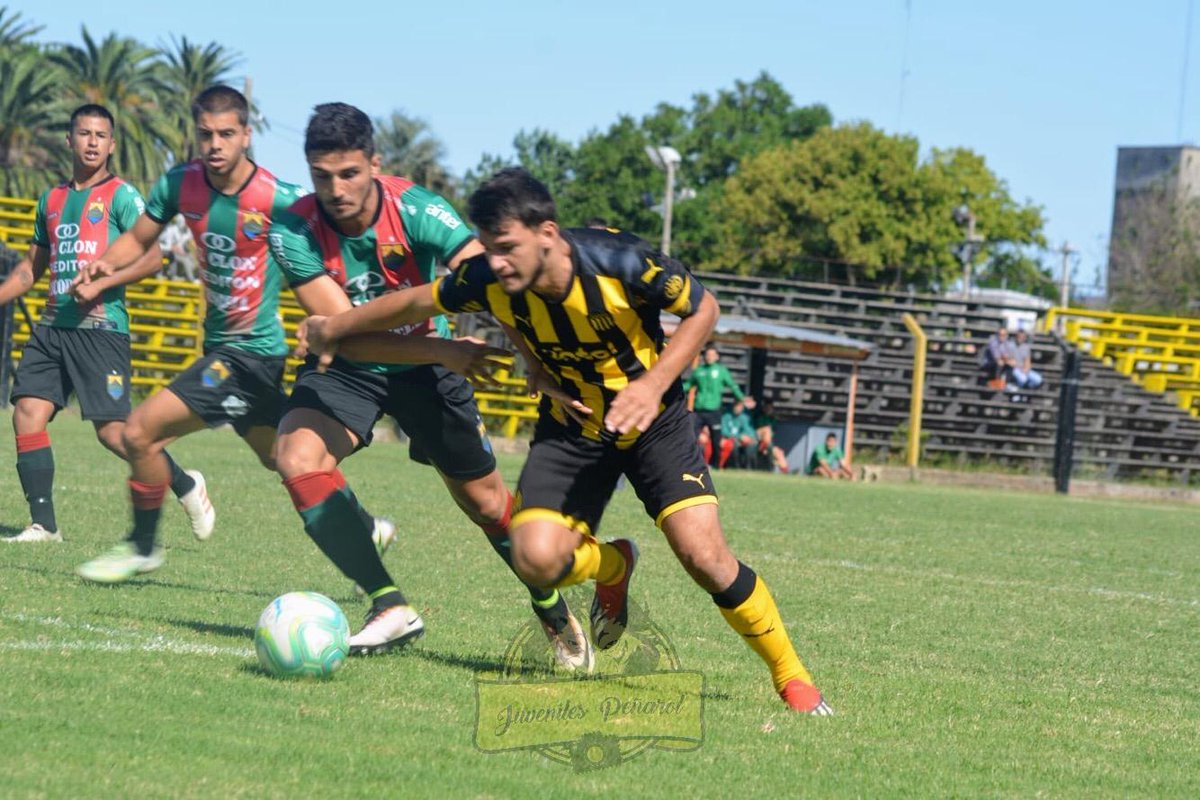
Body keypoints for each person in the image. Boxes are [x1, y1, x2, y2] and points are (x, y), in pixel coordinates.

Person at [299, 167, 834, 714]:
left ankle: (792, 677)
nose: (496, 262)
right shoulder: (491, 277)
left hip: (655, 422)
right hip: (574, 424)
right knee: (534, 558)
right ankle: (613, 567)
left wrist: (652, 385)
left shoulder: (621, 261)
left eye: (506, 248)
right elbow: (415, 303)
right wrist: (333, 329)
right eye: (489, 248)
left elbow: (705, 309)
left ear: (547, 234)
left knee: (703, 557)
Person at [267, 104, 590, 666]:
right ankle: (388, 604)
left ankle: (550, 605)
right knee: (296, 456)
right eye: (322, 176)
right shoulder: (293, 229)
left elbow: (493, 279)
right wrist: (443, 348)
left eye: (349, 174)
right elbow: (346, 336)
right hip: (357, 367)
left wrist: (535, 357)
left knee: (489, 505)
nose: (336, 190)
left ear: (375, 163)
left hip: (431, 373)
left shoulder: (418, 210)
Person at [69, 87, 390, 583]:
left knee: (138, 432)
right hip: (225, 350)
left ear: (246, 134)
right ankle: (365, 525)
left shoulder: (280, 199)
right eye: (205, 134)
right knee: (282, 459)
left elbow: (333, 247)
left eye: (226, 134)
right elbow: (140, 236)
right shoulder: (180, 183)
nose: (215, 144)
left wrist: (335, 321)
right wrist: (102, 265)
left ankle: (143, 546)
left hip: (249, 358)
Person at [0, 104, 209, 544]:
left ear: (112, 145)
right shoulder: (50, 200)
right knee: (27, 413)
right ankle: (45, 525)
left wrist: (102, 283)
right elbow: (28, 271)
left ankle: (186, 484)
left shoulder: (123, 196)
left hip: (101, 330)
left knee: (115, 434)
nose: (92, 142)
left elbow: (152, 257)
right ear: (69, 140)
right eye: (84, 133)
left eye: (101, 135)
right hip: (53, 325)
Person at [683, 344, 744, 468]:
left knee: (716, 440)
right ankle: (690, 464)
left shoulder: (721, 371)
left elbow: (732, 385)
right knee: (692, 437)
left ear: (717, 357)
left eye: (712, 355)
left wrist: (742, 398)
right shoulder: (699, 371)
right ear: (704, 356)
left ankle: (715, 465)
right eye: (707, 354)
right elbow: (688, 385)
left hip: (714, 411)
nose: (709, 357)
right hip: (699, 410)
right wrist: (671, 389)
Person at [718, 397, 757, 469]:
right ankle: (735, 466)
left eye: (739, 406)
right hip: (730, 439)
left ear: (742, 407)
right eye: (736, 405)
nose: (737, 408)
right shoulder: (726, 416)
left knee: (752, 444)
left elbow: (749, 431)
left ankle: (748, 467)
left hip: (742, 440)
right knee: (733, 445)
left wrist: (747, 437)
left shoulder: (745, 417)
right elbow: (724, 431)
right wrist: (738, 436)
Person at [754, 400, 791, 474]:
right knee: (767, 430)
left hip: (767, 442)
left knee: (780, 453)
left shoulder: (772, 419)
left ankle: (786, 474)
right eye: (767, 407)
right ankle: (764, 447)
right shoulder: (758, 416)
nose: (768, 409)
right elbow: (756, 430)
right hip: (756, 440)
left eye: (770, 408)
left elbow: (772, 433)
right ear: (763, 408)